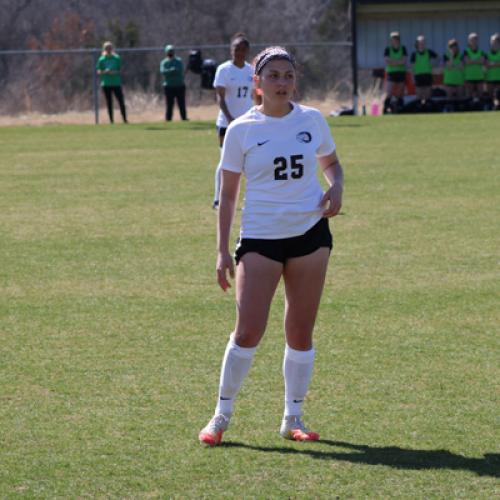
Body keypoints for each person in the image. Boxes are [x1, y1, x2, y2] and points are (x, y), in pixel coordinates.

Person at [198, 46, 344, 446]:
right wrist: (222, 250)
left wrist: (337, 185)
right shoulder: (241, 130)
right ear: (257, 84)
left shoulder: (312, 120)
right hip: (261, 238)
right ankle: (220, 416)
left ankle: (292, 417)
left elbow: (330, 163)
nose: (282, 82)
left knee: (300, 332)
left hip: (310, 236)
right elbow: (228, 196)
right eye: (273, 76)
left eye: (288, 75)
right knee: (247, 330)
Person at [212, 33, 254, 209]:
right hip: (226, 124)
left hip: (247, 123)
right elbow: (220, 98)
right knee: (225, 161)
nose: (239, 52)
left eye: (243, 49)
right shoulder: (224, 69)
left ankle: (253, 198)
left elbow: (254, 96)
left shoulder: (251, 71)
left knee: (251, 161)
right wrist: (230, 119)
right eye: (236, 49)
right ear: (231, 50)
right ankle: (217, 199)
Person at [96, 41, 128, 124]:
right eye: (107, 48)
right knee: (109, 102)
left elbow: (120, 70)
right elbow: (98, 71)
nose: (108, 50)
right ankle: (111, 121)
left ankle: (124, 119)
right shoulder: (101, 59)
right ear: (104, 49)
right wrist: (104, 72)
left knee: (121, 101)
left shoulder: (116, 58)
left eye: (110, 48)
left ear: (112, 48)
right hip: (106, 84)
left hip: (116, 83)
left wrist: (113, 72)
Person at [160, 44, 188, 121]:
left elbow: (180, 70)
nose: (170, 52)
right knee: (169, 105)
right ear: (166, 52)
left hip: (179, 86)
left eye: (172, 51)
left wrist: (171, 71)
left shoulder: (178, 61)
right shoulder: (164, 62)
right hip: (168, 86)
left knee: (181, 104)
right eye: (169, 51)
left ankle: (184, 118)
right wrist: (171, 70)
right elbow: (163, 72)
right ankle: (168, 119)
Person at [410, 35, 438, 109]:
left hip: (427, 75)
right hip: (418, 76)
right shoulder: (414, 54)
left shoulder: (428, 52)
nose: (422, 44)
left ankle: (427, 109)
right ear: (417, 43)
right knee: (419, 95)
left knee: (427, 95)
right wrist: (412, 77)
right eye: (420, 42)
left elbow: (438, 58)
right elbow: (412, 67)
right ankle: (419, 109)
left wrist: (433, 65)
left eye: (423, 42)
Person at [383, 31, 407, 113]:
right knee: (389, 92)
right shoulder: (387, 49)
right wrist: (398, 62)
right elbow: (387, 60)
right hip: (391, 73)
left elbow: (404, 61)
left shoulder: (403, 48)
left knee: (400, 93)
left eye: (396, 39)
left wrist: (394, 62)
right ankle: (385, 108)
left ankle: (400, 108)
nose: (394, 40)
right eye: (393, 39)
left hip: (401, 72)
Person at [463, 32, 486, 102]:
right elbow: (467, 61)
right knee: (468, 96)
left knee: (480, 95)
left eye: (475, 39)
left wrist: (472, 61)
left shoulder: (481, 51)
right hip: (469, 76)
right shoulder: (466, 51)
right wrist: (477, 61)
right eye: (472, 39)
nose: (474, 41)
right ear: (469, 41)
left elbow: (482, 61)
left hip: (479, 76)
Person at [443, 38, 465, 110]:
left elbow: (461, 67)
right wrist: (451, 56)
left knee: (460, 98)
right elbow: (449, 66)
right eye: (452, 46)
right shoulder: (446, 55)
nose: (454, 48)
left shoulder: (461, 55)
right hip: (449, 80)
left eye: (455, 46)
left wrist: (453, 66)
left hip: (459, 79)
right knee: (449, 98)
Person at [485, 33, 500, 110]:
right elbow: (486, 65)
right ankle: (494, 107)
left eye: (495, 41)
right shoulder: (488, 54)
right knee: (492, 95)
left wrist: (492, 63)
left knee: (497, 94)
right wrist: (496, 63)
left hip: (498, 77)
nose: (494, 43)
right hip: (490, 77)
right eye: (492, 41)